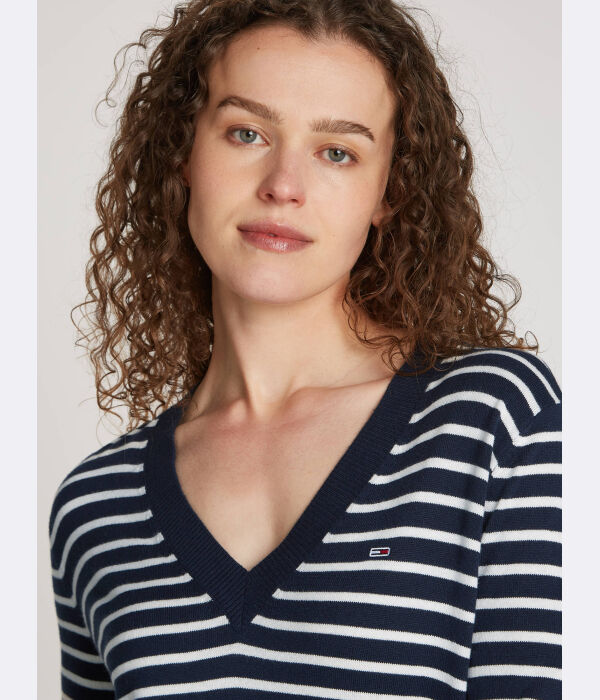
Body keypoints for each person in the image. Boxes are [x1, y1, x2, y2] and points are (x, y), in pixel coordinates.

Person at [48, 0, 561, 698]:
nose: (282, 186)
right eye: (246, 133)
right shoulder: (97, 506)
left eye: (337, 152)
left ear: (388, 193)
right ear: (183, 153)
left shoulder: (495, 423)